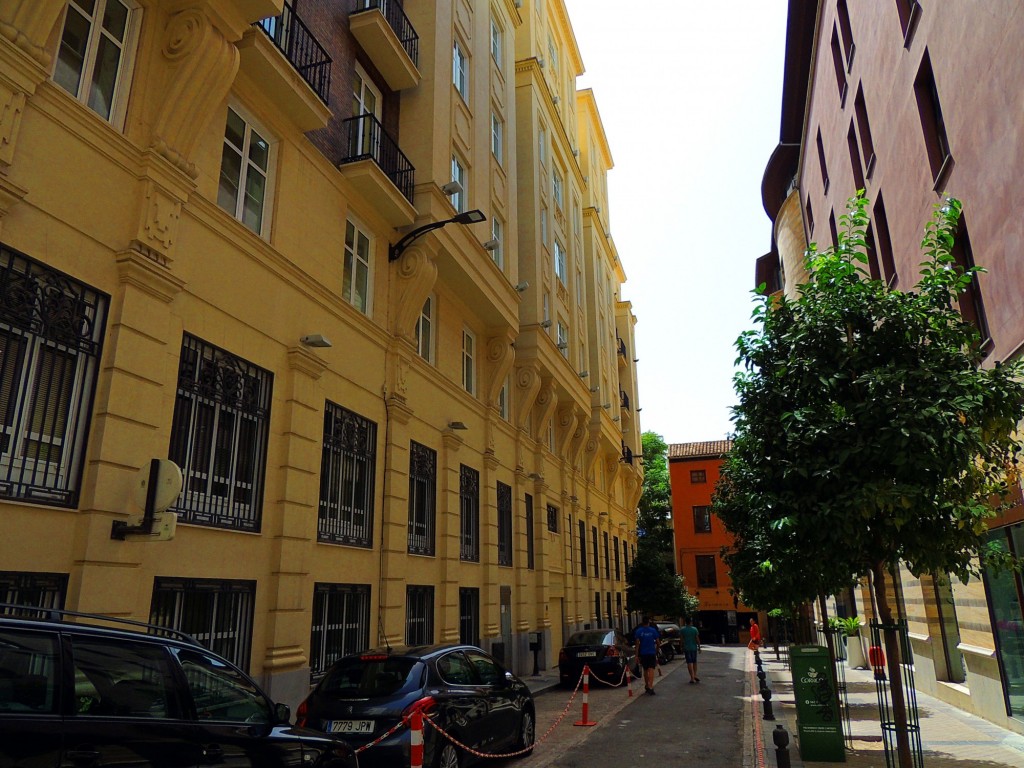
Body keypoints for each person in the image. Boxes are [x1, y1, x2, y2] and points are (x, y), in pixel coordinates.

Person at [634, 616, 660, 695]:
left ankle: (647, 685)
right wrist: (657, 650)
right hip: (651, 652)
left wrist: (636, 655)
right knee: (651, 669)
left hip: (643, 653)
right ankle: (651, 686)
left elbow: (637, 644)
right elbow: (658, 642)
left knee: (645, 669)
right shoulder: (653, 630)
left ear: (642, 622)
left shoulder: (639, 631)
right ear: (649, 622)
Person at [680, 616, 701, 683]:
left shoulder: (682, 630)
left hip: (686, 648)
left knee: (689, 662)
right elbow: (697, 639)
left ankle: (692, 677)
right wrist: (699, 647)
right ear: (691, 622)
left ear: (685, 622)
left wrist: (681, 647)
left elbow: (681, 640)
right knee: (694, 662)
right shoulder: (694, 629)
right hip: (693, 648)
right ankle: (695, 675)